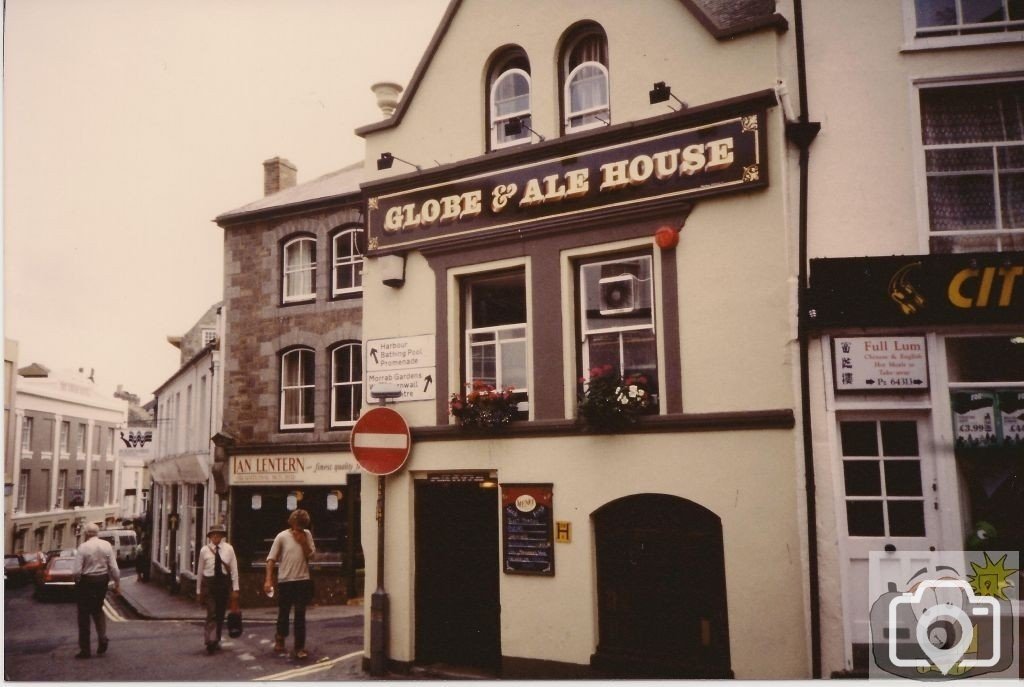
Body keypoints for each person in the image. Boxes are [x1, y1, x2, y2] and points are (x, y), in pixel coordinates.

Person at [263, 509, 315, 659]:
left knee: (300, 614)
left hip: (302, 580)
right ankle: (280, 637)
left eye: (302, 526)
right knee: (284, 613)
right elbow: (271, 559)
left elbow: (311, 555)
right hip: (285, 580)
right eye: (297, 526)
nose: (299, 529)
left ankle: (299, 647)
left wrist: (303, 542)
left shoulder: (307, 535)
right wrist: (268, 579)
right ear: (291, 523)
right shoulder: (282, 536)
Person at [72, 523, 120, 659]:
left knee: (83, 615)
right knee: (98, 610)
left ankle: (85, 650)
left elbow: (76, 571)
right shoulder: (106, 545)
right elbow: (114, 568)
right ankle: (102, 637)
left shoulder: (83, 547)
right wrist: (117, 583)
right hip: (102, 580)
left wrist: (77, 582)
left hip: (87, 581)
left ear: (86, 533)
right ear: (97, 533)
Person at [196, 523, 239, 654]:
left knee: (220, 614)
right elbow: (199, 571)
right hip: (209, 584)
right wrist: (198, 590)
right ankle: (210, 641)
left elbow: (234, 569)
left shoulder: (229, 549)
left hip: (223, 584)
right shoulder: (204, 550)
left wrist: (235, 589)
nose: (216, 537)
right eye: (213, 535)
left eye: (218, 535)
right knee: (212, 612)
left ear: (222, 536)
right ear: (210, 537)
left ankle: (217, 639)